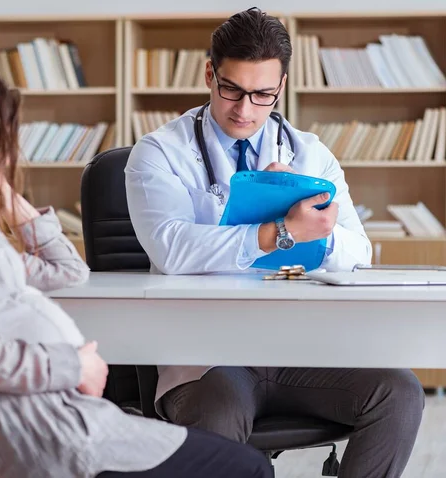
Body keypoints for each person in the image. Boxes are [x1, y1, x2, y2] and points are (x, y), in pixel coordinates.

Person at [0, 66, 272, 478]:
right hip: (41, 431)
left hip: (44, 415)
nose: (11, 152)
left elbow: (68, 271)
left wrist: (11, 200)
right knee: (250, 468)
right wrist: (72, 366)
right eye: (6, 138)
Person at [125, 8, 424, 478]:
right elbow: (172, 249)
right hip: (208, 359)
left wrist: (318, 234)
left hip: (299, 351)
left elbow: (360, 254)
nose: (244, 110)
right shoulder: (159, 153)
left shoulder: (309, 154)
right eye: (231, 90)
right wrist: (277, 232)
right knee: (219, 413)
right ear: (210, 73)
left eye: (262, 94)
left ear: (281, 87)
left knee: (400, 395)